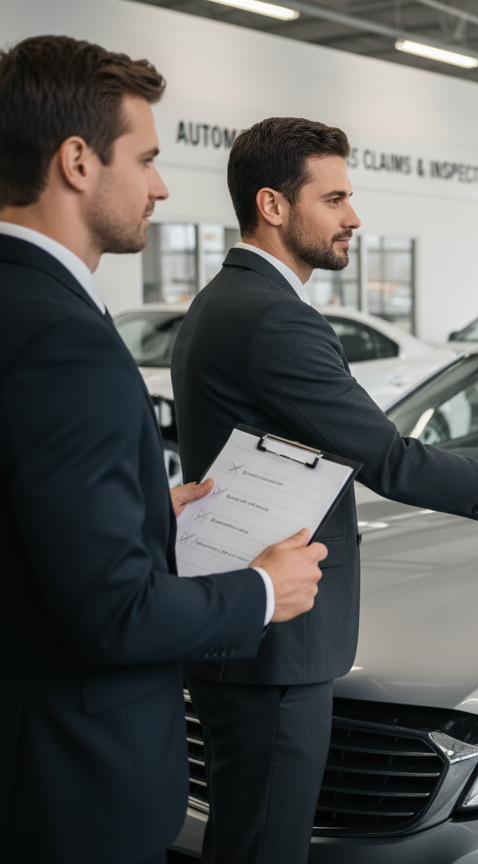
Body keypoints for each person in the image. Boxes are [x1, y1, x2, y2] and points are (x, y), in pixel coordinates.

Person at [170, 116, 478, 864]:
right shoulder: (274, 317)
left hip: (241, 631)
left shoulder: (222, 302)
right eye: (334, 198)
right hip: (277, 645)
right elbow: (389, 459)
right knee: (265, 846)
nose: (354, 217)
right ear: (274, 206)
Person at [0, 36, 326, 864]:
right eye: (143, 158)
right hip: (72, 793)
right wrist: (261, 590)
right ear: (77, 161)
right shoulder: (62, 341)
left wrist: (145, 511)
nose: (160, 185)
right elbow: (112, 616)